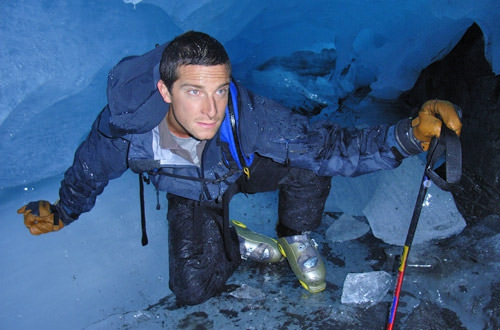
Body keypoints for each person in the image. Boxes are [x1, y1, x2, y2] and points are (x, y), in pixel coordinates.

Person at [17, 31, 462, 306]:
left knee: (308, 161)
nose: (212, 109)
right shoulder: (125, 129)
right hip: (192, 190)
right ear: (165, 90)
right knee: (193, 289)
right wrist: (63, 212)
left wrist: (409, 135)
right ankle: (236, 240)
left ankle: (294, 234)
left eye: (221, 90)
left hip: (240, 168)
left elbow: (330, 146)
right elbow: (89, 171)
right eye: (194, 91)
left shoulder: (248, 115)